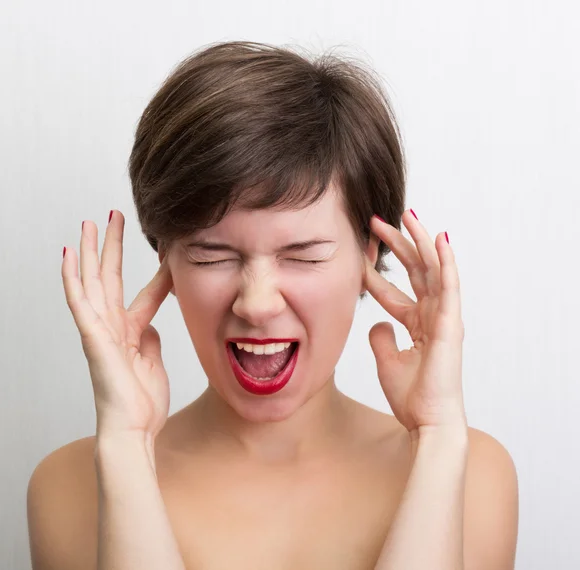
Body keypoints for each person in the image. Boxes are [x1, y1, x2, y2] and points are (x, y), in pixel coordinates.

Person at [27, 41, 519, 570]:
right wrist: (125, 449)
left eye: (303, 256)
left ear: (368, 256)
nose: (257, 304)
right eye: (213, 254)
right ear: (165, 259)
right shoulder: (69, 488)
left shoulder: (471, 475)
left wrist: (437, 438)